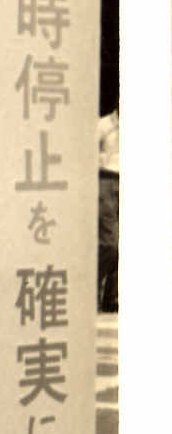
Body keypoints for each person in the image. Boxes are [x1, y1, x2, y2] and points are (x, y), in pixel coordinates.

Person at [98, 108, 119, 313]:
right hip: (106, 179)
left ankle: (110, 298)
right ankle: (90, 283)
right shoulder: (103, 125)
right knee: (110, 243)